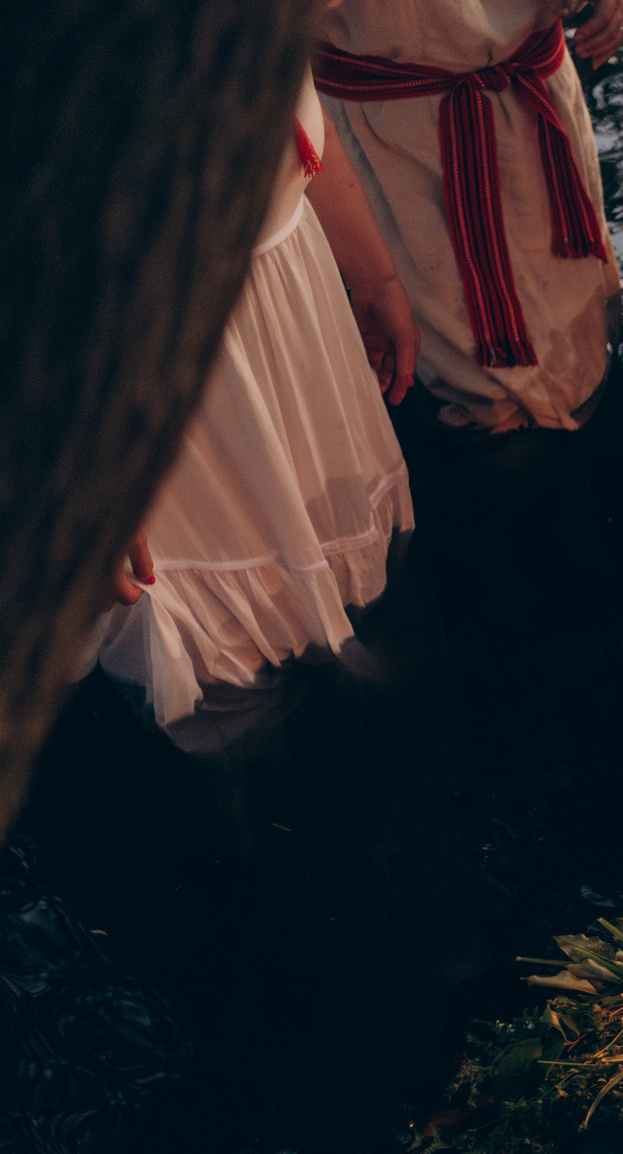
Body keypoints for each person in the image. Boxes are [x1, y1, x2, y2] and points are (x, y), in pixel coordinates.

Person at [94, 73, 420, 741]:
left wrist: (372, 271)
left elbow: (287, 97)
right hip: (131, 373)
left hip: (292, 315)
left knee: (358, 597)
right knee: (223, 694)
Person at [314, 0, 623, 434]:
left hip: (538, 95)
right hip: (398, 137)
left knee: (589, 359)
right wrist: (372, 279)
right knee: (480, 411)